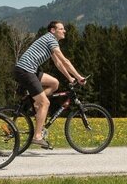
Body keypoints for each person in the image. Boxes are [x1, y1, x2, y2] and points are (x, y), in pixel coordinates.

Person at [13, 21, 86, 149]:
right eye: (61, 29)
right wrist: (79, 77)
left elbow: (58, 63)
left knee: (54, 83)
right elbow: (65, 61)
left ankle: (35, 103)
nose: (64, 31)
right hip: (26, 71)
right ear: (53, 30)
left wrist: (70, 78)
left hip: (31, 70)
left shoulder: (50, 41)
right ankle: (37, 136)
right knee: (45, 103)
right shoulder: (50, 39)